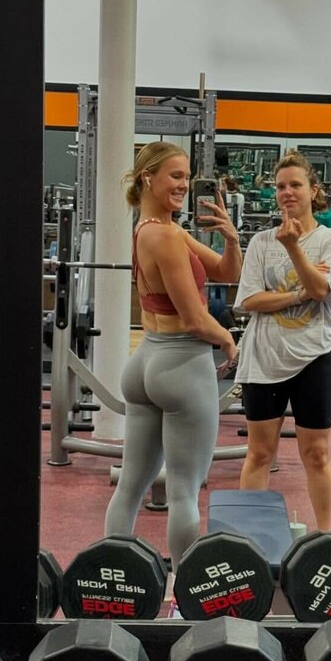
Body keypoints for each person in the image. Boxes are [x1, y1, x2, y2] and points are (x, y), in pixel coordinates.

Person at [104, 141, 242, 567]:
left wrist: (232, 238)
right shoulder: (165, 235)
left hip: (146, 363)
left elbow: (227, 272)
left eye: (187, 177)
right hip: (182, 366)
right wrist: (228, 339)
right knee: (184, 491)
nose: (183, 185)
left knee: (130, 486)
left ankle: (113, 576)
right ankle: (185, 588)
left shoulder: (152, 228)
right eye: (175, 176)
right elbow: (196, 320)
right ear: (148, 177)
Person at [234, 151, 331, 529]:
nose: (287, 192)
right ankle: (250, 540)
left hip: (316, 356)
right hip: (264, 357)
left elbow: (323, 291)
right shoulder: (260, 242)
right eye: (280, 186)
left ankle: (326, 537)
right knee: (259, 453)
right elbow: (250, 301)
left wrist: (293, 248)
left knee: (316, 453)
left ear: (313, 190)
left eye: (295, 185)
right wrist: (299, 292)